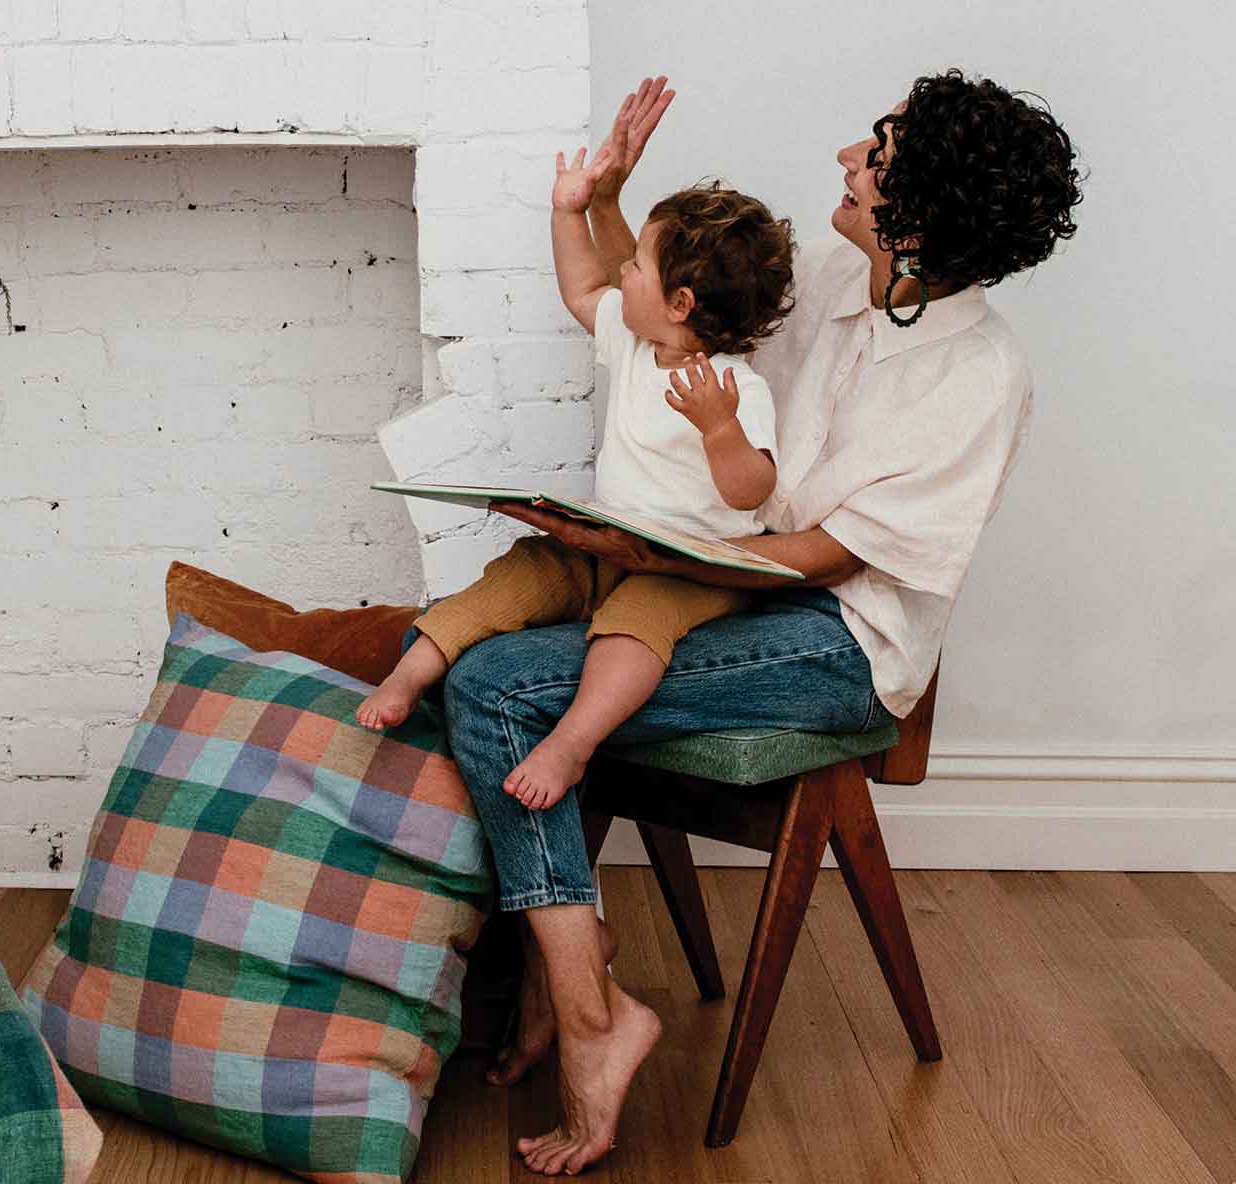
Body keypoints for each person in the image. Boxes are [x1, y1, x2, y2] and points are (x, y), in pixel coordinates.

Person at [450, 70, 1081, 1176]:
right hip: (719, 582)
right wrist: (611, 203)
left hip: (834, 641)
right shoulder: (839, 272)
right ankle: (581, 978)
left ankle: (585, 1013)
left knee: (500, 684)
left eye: (875, 153)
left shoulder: (982, 372)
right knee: (486, 657)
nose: (847, 153)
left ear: (920, 217)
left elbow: (828, 555)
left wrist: (653, 559)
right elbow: (678, 340)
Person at [354, 172, 798, 815]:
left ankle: (572, 742)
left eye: (638, 263)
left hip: (685, 569)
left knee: (632, 631)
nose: (624, 266)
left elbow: (750, 492)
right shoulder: (638, 342)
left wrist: (720, 430)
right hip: (610, 545)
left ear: (679, 302)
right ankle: (409, 674)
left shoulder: (734, 388)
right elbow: (584, 286)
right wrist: (569, 209)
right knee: (517, 573)